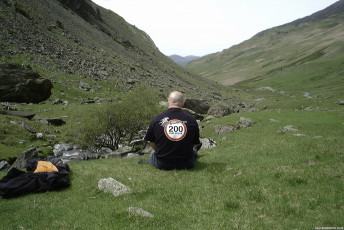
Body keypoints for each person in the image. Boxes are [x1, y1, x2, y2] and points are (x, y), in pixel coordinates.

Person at [143, 91, 202, 170]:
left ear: (168, 103)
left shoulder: (157, 119)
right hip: (187, 163)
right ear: (183, 103)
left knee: (152, 156)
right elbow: (194, 143)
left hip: (162, 164)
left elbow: (151, 142)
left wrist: (162, 153)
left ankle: (150, 161)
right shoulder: (191, 120)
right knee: (194, 151)